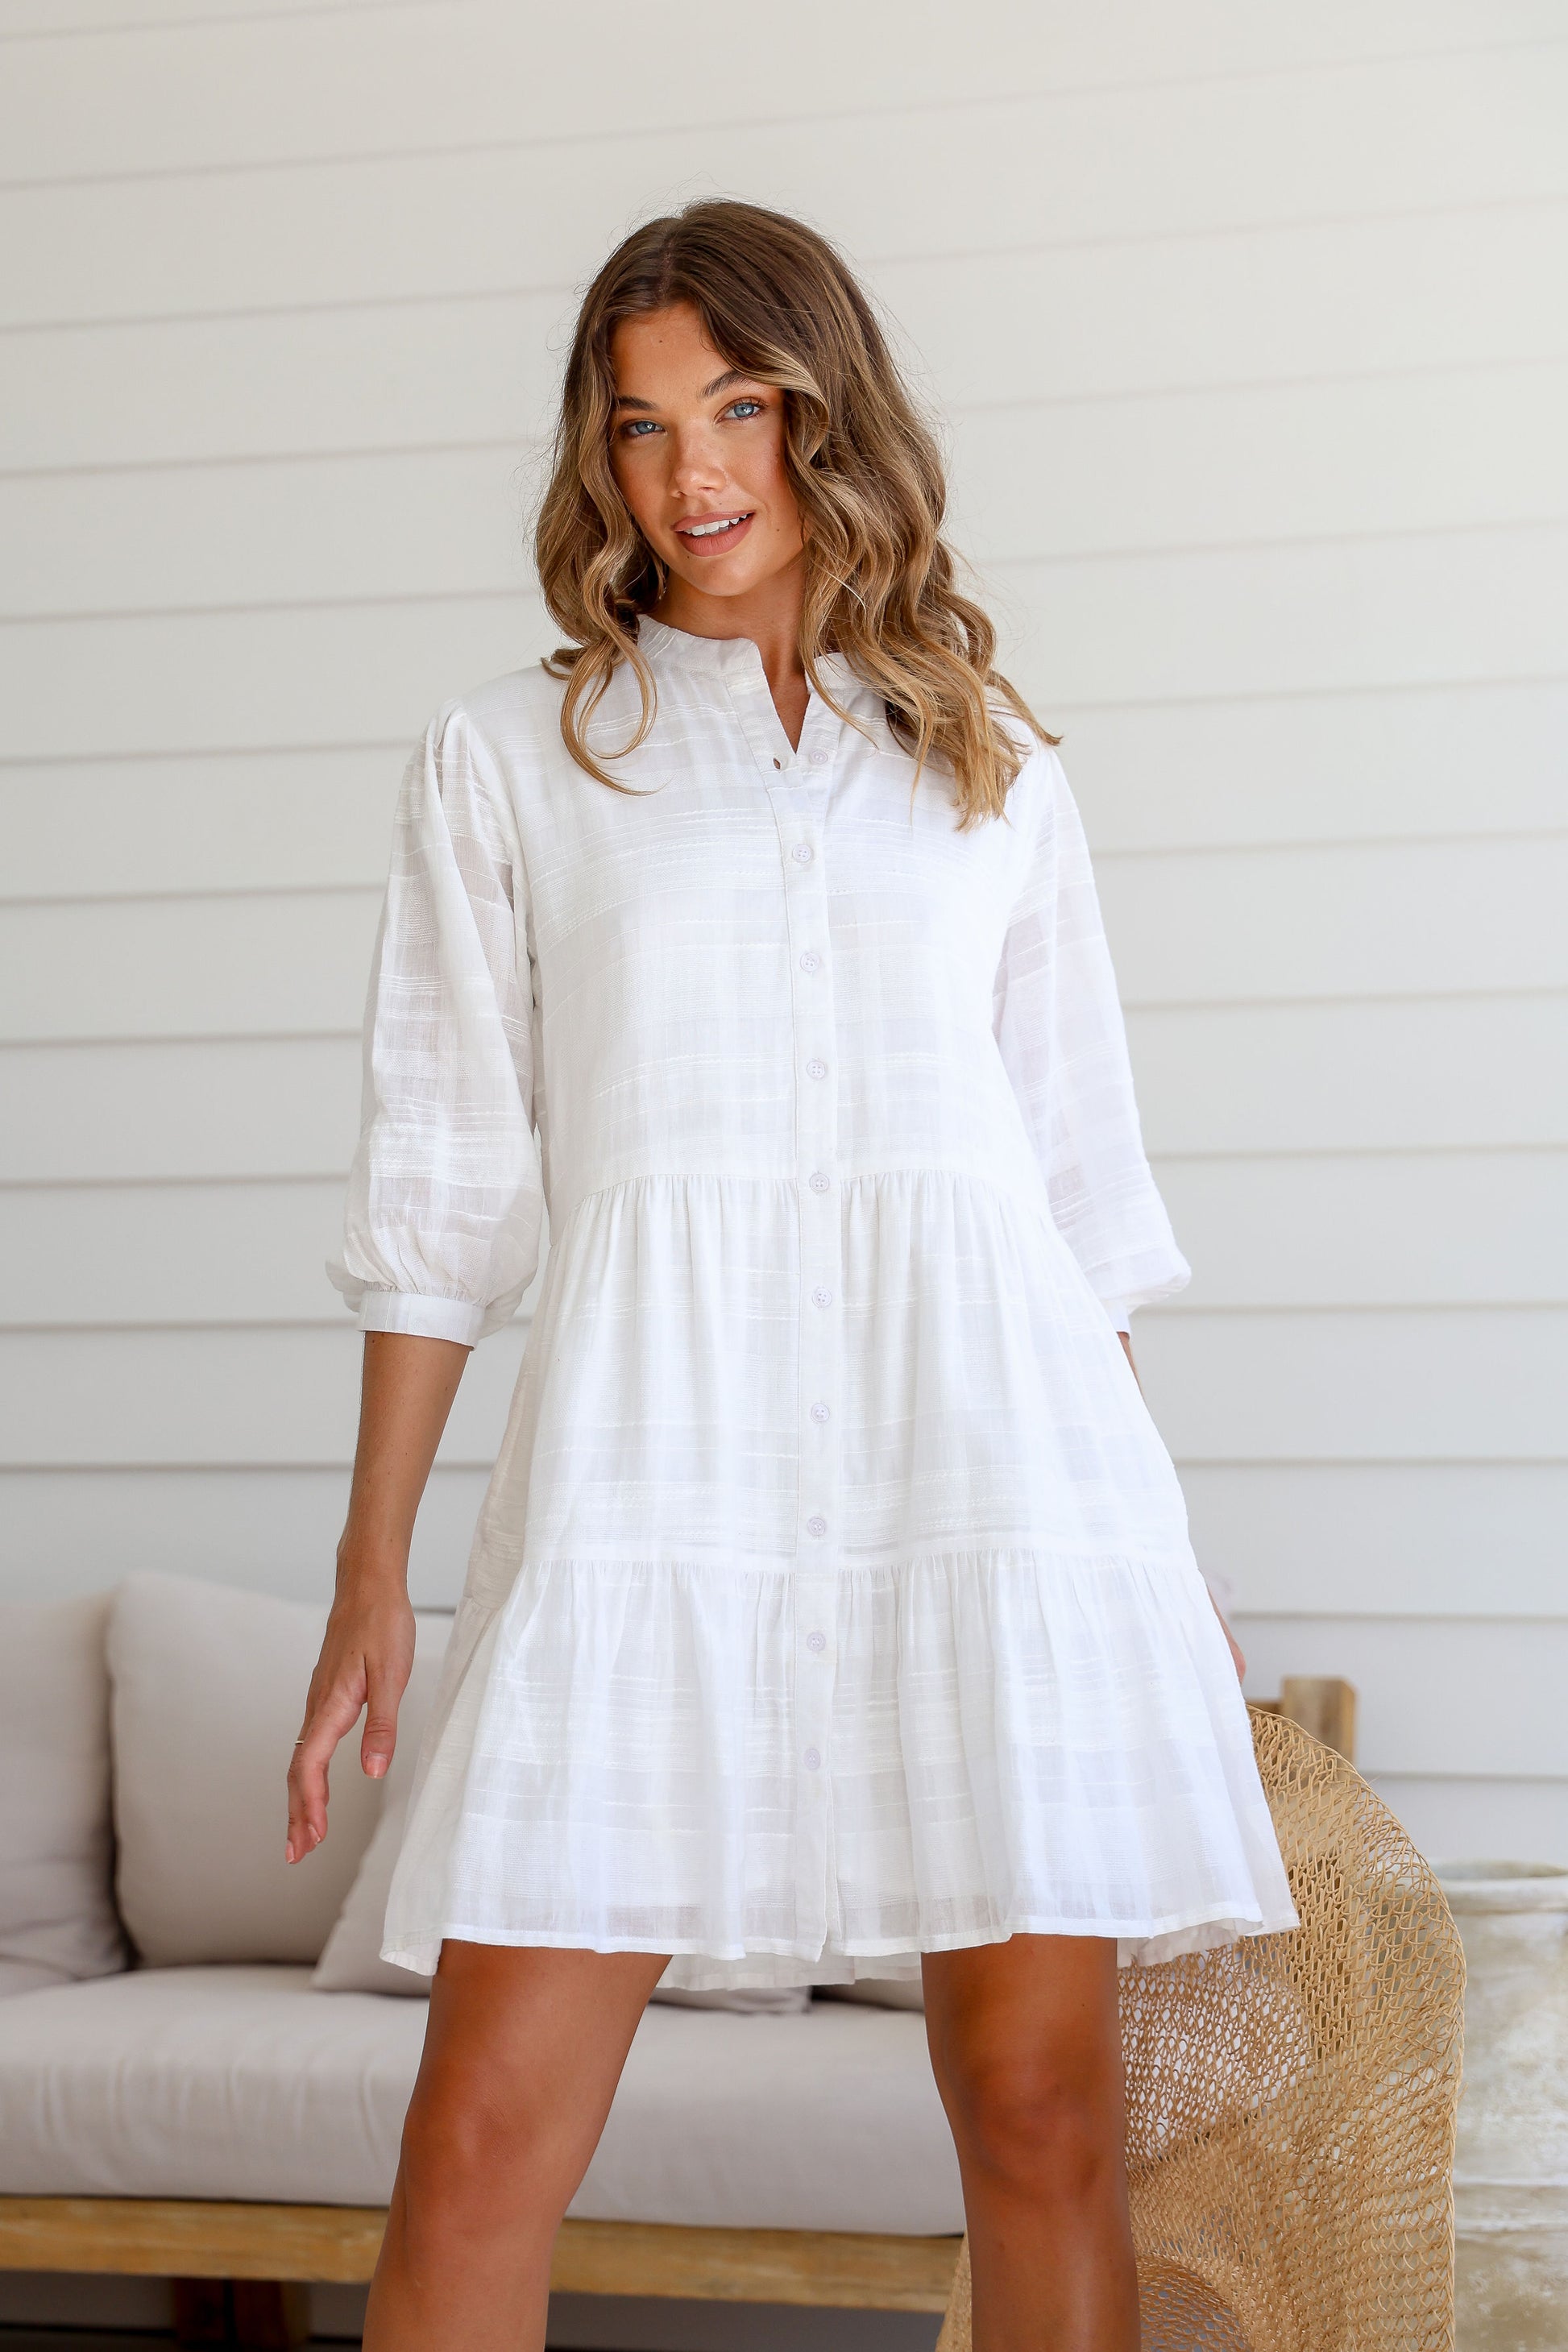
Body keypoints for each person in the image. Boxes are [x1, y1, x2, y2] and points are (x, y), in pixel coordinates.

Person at [287, 199, 1296, 2352]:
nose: (691, 473)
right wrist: (375, 1564)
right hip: (651, 1496)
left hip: (998, 1492)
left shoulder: (993, 760)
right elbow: (443, 1179)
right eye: (639, 428)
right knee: (478, 2142)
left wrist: (1155, 1554)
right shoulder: (519, 759)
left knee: (1035, 2119)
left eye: (735, 407)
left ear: (822, 413)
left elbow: (1070, 1193)